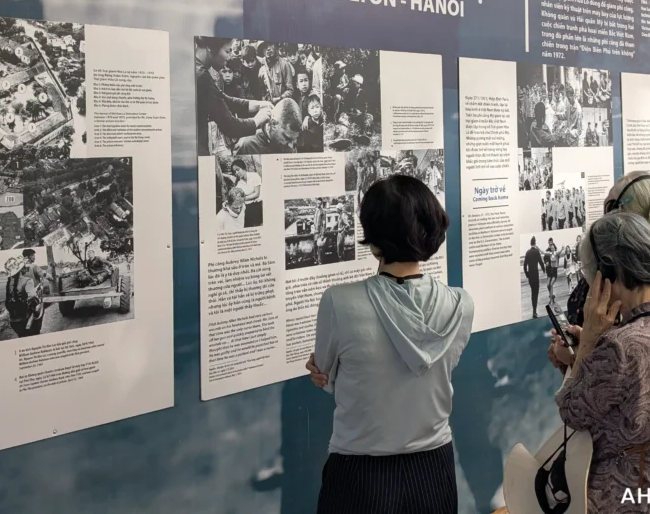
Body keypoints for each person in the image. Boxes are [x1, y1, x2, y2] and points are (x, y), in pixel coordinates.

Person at [305, 176, 473, 514]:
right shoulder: (460, 304)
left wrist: (321, 371)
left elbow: (328, 381)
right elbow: (435, 367)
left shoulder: (339, 301)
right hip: (434, 469)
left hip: (360, 472)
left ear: (373, 235)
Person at [550, 211, 650, 511]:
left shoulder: (619, 346)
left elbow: (572, 411)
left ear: (607, 272)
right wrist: (584, 355)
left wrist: (588, 343)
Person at [562, 172, 650, 329]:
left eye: (609, 202)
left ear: (615, 210)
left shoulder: (614, 268)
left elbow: (610, 337)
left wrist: (582, 343)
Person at [195, 38, 272, 156]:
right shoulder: (201, 76)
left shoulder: (196, 68)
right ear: (211, 48)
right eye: (227, 51)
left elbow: (223, 99)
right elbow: (229, 125)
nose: (229, 56)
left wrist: (257, 104)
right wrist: (256, 120)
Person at [235, 98, 303, 155]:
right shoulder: (249, 145)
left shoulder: (289, 143)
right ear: (273, 124)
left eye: (294, 140)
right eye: (287, 138)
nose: (291, 146)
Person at [230, 159, 262, 227]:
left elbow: (257, 194)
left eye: (238, 169)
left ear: (243, 168)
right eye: (234, 172)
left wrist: (244, 198)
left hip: (258, 204)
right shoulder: (239, 184)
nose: (236, 173)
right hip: (247, 207)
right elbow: (238, 198)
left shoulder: (254, 176)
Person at [524, 236, 544, 319]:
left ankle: (534, 311)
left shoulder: (527, 252)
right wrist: (544, 269)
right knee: (536, 293)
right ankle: (535, 311)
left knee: (533, 293)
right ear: (535, 243)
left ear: (530, 243)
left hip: (531, 277)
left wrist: (527, 275)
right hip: (536, 276)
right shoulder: (536, 251)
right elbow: (540, 261)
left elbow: (524, 266)